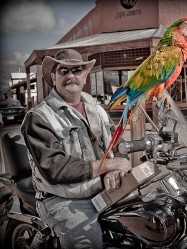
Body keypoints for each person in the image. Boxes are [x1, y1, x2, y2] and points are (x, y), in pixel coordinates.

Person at [21, 49, 131, 248]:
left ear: (85, 75)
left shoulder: (97, 109)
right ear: (53, 77)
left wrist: (115, 169)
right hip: (65, 200)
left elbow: (116, 144)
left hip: (104, 190)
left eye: (77, 70)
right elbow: (55, 168)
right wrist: (108, 165)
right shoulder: (39, 117)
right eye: (63, 71)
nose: (70, 76)